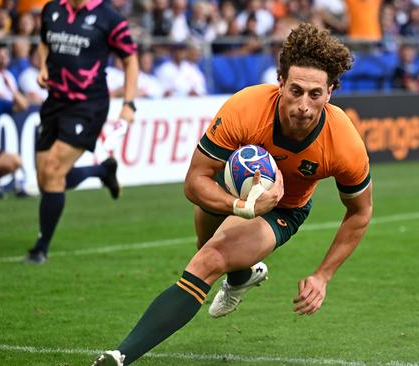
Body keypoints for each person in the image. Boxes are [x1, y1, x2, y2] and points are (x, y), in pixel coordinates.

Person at [91, 22, 373, 366]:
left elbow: (359, 212)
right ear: (280, 83)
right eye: (295, 90)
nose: (303, 104)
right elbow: (195, 181)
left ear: (330, 92)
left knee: (208, 260)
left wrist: (322, 275)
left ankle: (119, 357)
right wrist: (241, 205)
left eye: (315, 94)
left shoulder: (343, 142)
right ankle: (242, 275)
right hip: (233, 193)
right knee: (205, 244)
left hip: (285, 210)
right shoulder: (246, 108)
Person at [24, 0, 138, 264]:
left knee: (53, 170)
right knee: (46, 179)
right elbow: (44, 42)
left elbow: (130, 60)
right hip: (54, 102)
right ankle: (102, 170)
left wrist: (129, 104)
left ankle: (40, 249)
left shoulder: (109, 17)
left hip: (88, 106)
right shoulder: (52, 9)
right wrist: (43, 66)